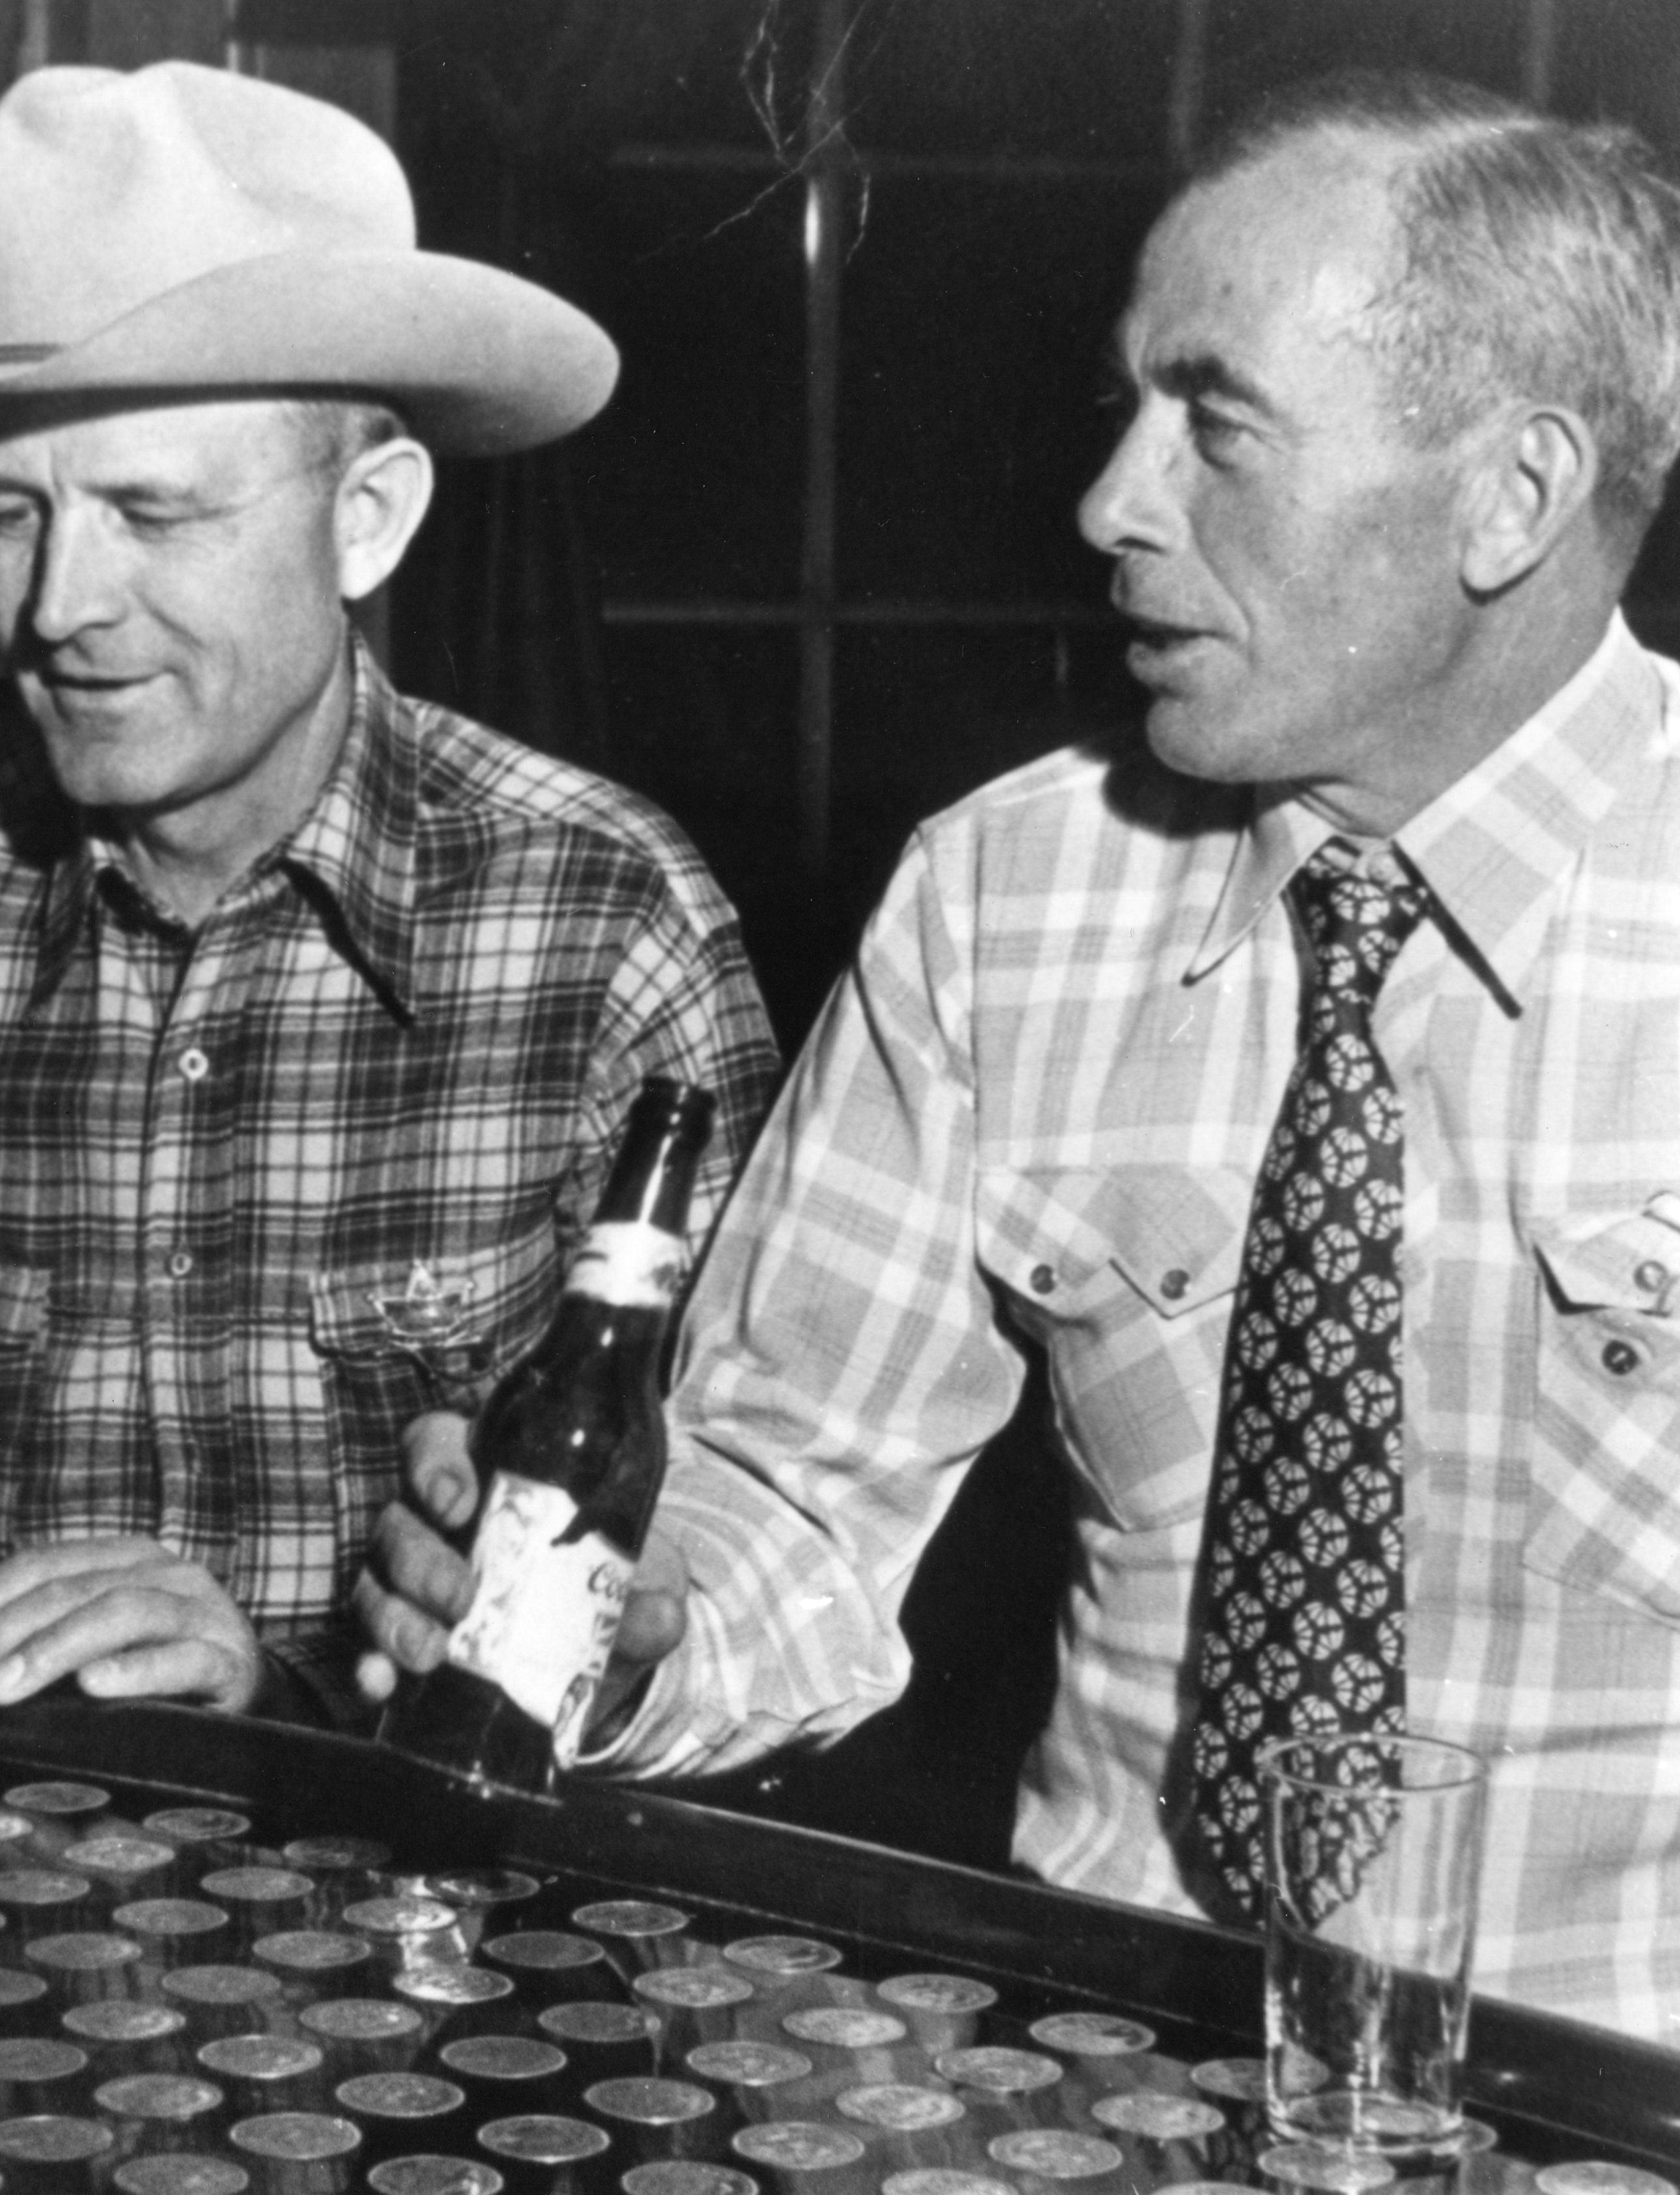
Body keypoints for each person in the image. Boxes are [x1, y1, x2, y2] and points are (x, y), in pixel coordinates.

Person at [362, 71, 1680, 2041]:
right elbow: (786, 1497)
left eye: (1214, 422)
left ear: (1516, 492)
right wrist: (626, 1628)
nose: (1110, 506)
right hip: (1107, 2091)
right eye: (1126, 410)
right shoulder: (1000, 898)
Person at [0, 62, 777, 1726]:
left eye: (152, 513)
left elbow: (696, 1599)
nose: (56, 606)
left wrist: (281, 1700)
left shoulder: (608, 930)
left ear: (369, 518)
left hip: (443, 1918)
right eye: (8, 513)